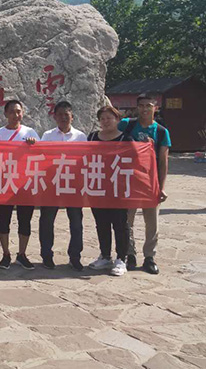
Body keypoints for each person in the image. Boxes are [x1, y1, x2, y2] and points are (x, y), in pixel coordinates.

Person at [121, 93, 171, 275]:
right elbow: (112, 140)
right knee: (127, 221)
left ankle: (149, 257)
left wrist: (161, 187)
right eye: (141, 105)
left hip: (150, 182)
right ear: (137, 107)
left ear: (155, 108)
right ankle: (129, 253)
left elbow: (163, 161)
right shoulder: (127, 125)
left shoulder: (161, 131)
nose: (144, 109)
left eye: (148, 106)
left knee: (152, 222)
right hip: (129, 180)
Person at [38, 101, 87, 271]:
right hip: (52, 184)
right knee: (47, 221)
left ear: (72, 116)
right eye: (60, 114)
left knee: (76, 222)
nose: (63, 118)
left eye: (66, 114)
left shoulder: (80, 137)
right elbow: (41, 157)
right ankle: (46, 255)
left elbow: (85, 160)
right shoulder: (47, 135)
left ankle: (75, 256)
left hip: (74, 185)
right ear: (54, 117)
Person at [0, 100, 39, 270]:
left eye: (18, 111)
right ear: (6, 114)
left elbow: (41, 154)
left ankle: (22, 254)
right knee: (3, 220)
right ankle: (5, 254)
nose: (15, 115)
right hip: (5, 184)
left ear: (22, 113)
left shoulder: (30, 132)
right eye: (12, 112)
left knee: (25, 220)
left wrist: (33, 145)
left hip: (25, 183)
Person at [87, 105, 132, 277]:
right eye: (102, 119)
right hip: (98, 187)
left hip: (118, 189)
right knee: (102, 223)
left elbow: (136, 161)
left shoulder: (126, 139)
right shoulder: (92, 137)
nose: (106, 122)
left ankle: (121, 258)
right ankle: (105, 256)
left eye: (109, 118)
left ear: (117, 120)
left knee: (120, 224)